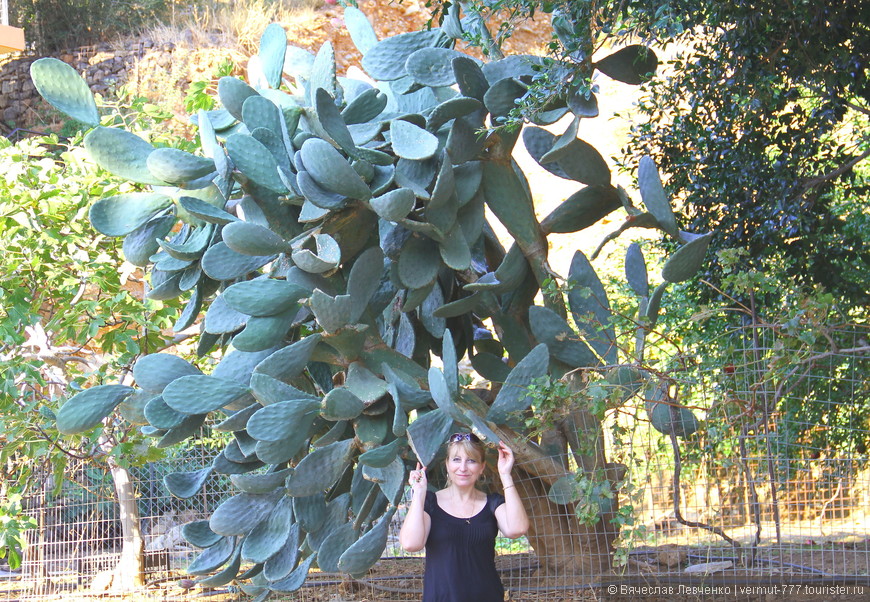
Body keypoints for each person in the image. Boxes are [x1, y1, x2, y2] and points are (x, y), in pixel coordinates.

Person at [399, 432, 530, 601]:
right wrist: (418, 494)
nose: (463, 467)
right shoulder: (430, 502)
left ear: (482, 467)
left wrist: (505, 475)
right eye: (456, 459)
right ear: (447, 464)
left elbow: (517, 529)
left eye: (471, 460)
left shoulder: (492, 503)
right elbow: (411, 544)